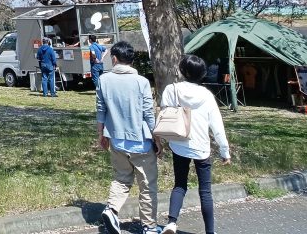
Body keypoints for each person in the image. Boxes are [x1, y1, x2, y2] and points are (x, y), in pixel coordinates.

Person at [161, 54, 231, 234]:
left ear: (182, 71)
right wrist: (225, 151)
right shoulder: (207, 95)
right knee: (205, 191)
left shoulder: (172, 89)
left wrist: (160, 141)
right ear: (202, 74)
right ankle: (210, 231)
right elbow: (217, 126)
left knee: (179, 185)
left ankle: (171, 223)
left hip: (178, 143)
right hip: (201, 147)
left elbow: (164, 115)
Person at [96, 40, 159, 234]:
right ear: (131, 60)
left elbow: (101, 109)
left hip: (116, 139)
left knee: (122, 178)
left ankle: (112, 210)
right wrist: (157, 139)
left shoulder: (104, 80)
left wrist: (101, 134)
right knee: (147, 186)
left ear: (114, 59)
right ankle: (149, 227)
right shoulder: (141, 82)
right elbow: (149, 113)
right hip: (140, 141)